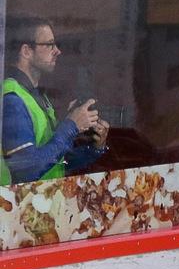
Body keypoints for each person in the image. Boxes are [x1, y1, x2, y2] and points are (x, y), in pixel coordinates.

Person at [1, 17, 107, 185]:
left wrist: (96, 147)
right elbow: (26, 170)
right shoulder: (12, 100)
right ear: (27, 51)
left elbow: (55, 162)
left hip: (40, 202)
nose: (57, 51)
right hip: (17, 206)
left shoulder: (36, 97)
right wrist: (71, 126)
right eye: (49, 44)